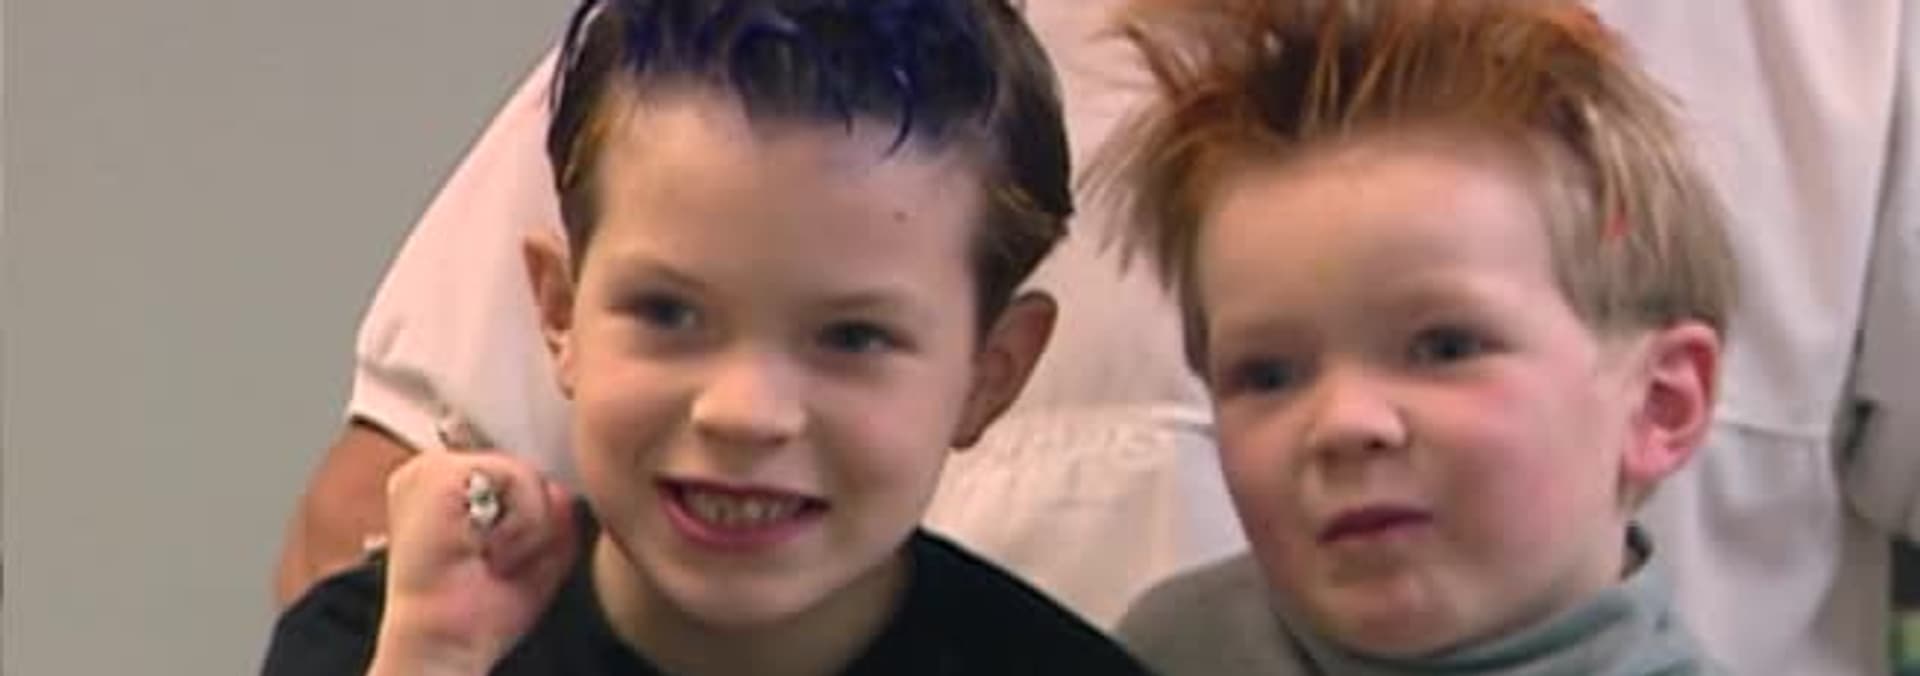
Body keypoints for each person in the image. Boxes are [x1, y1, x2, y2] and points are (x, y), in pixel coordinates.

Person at [273, 0, 1244, 627]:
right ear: (557, 310)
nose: (745, 411)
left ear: (993, 373)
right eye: (668, 311)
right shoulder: (710, 49)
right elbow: (378, 493)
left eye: (853, 336)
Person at [1100, 0, 1732, 672]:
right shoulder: (1165, 652)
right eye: (1266, 375)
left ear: (1660, 405)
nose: (1344, 423)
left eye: (1445, 348)